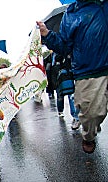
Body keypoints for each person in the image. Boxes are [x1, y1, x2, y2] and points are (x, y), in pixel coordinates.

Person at [36, 0, 108, 154]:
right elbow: (63, 46)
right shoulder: (71, 14)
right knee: (92, 114)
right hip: (90, 71)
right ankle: (89, 135)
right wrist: (47, 35)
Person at [53, 53, 81, 130]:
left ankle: (76, 116)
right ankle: (74, 116)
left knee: (70, 97)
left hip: (70, 75)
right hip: (66, 77)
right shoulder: (60, 53)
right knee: (69, 97)